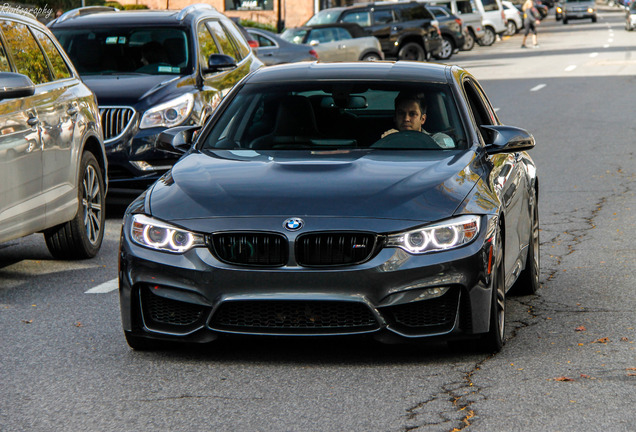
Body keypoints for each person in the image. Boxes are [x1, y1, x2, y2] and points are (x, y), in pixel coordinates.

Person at [381, 91, 454, 148]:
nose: (406, 119)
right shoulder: (386, 139)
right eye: (401, 113)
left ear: (422, 119)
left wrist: (398, 140)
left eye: (412, 114)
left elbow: (446, 156)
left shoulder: (439, 139)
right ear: (395, 117)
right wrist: (387, 141)